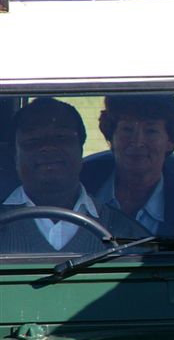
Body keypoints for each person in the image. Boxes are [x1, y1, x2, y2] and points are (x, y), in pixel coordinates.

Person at [0, 98, 148, 253]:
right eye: (33, 140)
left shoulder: (126, 233)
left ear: (81, 149)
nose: (48, 148)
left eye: (61, 138)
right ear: (15, 155)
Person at [88, 95, 174, 237]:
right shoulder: (79, 190)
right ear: (111, 137)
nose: (137, 142)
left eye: (151, 131)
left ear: (170, 141)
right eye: (127, 129)